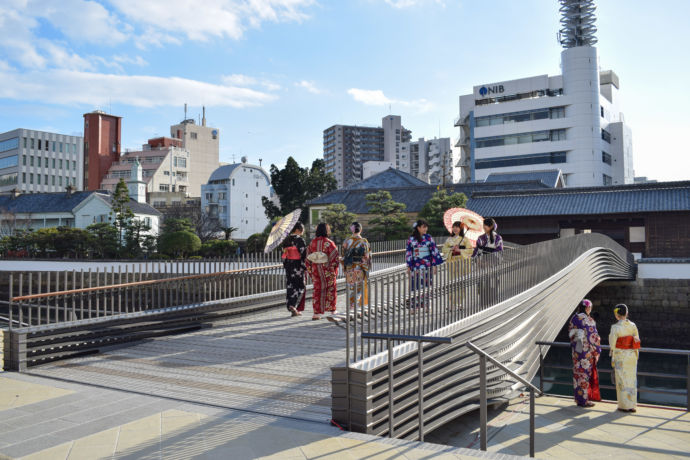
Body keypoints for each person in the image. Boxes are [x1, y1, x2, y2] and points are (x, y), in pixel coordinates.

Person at [568, 299, 602, 407]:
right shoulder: (589, 320)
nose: (590, 310)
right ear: (587, 308)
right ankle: (584, 401)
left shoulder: (574, 318)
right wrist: (597, 351)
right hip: (586, 353)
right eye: (590, 308)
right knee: (585, 375)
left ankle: (578, 399)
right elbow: (594, 338)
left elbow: (570, 334)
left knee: (577, 375)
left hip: (576, 351)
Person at [609, 304, 640, 413]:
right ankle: (632, 405)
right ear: (626, 313)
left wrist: (612, 353)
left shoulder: (615, 327)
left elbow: (612, 343)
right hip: (631, 356)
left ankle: (623, 405)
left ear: (617, 314)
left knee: (622, 380)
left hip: (621, 356)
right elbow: (637, 340)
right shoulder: (633, 325)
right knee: (631, 380)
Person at [406, 219, 443, 309]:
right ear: (418, 228)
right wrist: (408, 266)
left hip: (427, 265)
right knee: (415, 284)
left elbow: (434, 251)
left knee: (427, 284)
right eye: (423, 227)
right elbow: (409, 252)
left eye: (426, 227)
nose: (425, 229)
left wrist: (434, 265)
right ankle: (414, 305)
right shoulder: (411, 239)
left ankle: (426, 304)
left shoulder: (429, 237)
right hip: (415, 265)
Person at [306, 223, 340, 320]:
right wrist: (332, 269)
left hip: (316, 270)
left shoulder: (312, 243)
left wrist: (311, 271)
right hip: (327, 270)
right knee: (331, 289)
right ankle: (332, 310)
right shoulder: (329, 243)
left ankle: (316, 313)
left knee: (317, 290)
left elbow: (308, 259)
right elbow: (335, 258)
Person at [339, 222, 371, 318]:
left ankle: (351, 307)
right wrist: (366, 267)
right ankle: (358, 309)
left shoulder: (346, 241)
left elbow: (343, 255)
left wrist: (344, 267)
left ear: (351, 230)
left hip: (350, 267)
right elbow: (367, 256)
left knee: (351, 288)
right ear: (360, 230)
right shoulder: (364, 241)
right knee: (360, 288)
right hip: (360, 267)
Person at [442, 221, 473, 308]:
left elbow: (470, 250)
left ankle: (460, 303)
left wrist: (460, 250)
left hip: (462, 264)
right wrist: (451, 249)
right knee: (452, 283)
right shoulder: (449, 240)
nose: (455, 229)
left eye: (457, 227)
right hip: (452, 263)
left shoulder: (465, 239)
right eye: (454, 227)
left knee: (461, 284)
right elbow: (444, 250)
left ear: (461, 229)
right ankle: (451, 303)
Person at [281, 222, 307, 317]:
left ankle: (290, 306)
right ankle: (293, 306)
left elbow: (284, 255)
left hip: (289, 266)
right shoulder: (300, 240)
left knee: (290, 286)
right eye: (302, 229)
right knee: (300, 286)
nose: (303, 231)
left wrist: (287, 263)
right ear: (297, 230)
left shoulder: (286, 240)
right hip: (297, 266)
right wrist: (306, 266)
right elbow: (304, 254)